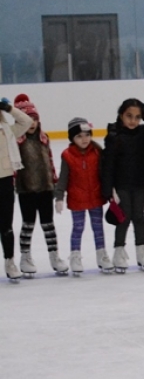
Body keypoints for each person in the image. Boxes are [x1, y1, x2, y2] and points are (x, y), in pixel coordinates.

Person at [102, 98, 144, 272]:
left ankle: (141, 250)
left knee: (139, 216)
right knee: (124, 217)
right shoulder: (114, 136)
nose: (133, 121)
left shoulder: (143, 133)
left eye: (137, 117)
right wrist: (107, 188)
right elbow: (108, 164)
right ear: (121, 115)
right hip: (121, 184)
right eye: (129, 116)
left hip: (138, 182)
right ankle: (119, 250)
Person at [9, 96, 67, 277]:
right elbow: (13, 165)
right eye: (28, 119)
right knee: (28, 224)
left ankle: (54, 256)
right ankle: (25, 257)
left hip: (45, 188)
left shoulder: (44, 138)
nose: (32, 123)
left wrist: (54, 182)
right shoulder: (16, 140)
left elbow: (50, 161)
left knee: (48, 224)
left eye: (34, 119)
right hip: (26, 189)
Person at [54, 118, 112, 275]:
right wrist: (59, 197)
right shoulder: (67, 156)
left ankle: (102, 255)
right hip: (77, 198)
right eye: (79, 136)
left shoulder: (97, 152)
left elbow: (104, 174)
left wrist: (111, 190)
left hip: (96, 196)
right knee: (78, 228)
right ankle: (75, 256)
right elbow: (63, 178)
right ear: (72, 138)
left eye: (87, 135)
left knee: (98, 227)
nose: (84, 139)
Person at [1, 96, 35, 281]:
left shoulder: (7, 130)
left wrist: (9, 108)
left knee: (6, 225)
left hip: (5, 181)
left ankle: (10, 261)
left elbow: (26, 121)